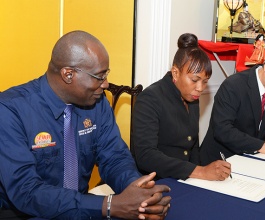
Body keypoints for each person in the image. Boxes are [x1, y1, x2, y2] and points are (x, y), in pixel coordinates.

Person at [0, 30, 171, 219]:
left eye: (106, 74)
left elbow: (114, 157)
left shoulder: (97, 102)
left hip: (82, 208)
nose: (106, 84)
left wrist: (139, 192)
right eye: (99, 76)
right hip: (26, 212)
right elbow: (26, 191)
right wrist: (107, 206)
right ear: (68, 74)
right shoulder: (9, 110)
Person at [131, 33, 231, 181]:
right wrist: (200, 172)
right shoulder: (150, 98)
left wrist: (198, 179)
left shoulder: (191, 96)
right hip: (155, 181)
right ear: (175, 73)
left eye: (205, 81)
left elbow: (193, 145)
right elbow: (146, 156)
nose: (200, 88)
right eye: (195, 80)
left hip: (185, 178)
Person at [200, 45, 265, 165]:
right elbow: (223, 129)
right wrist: (262, 146)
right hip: (220, 160)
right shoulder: (233, 86)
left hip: (249, 159)